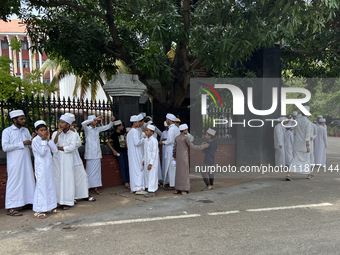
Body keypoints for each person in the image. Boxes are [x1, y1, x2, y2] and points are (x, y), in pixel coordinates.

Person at [2, 110, 35, 216]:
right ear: (14, 120)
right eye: (21, 119)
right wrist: (22, 143)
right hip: (14, 162)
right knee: (14, 182)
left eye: (24, 118)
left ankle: (28, 202)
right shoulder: (7, 131)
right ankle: (11, 207)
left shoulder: (26, 130)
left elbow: (30, 145)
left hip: (26, 161)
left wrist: (32, 141)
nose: (24, 121)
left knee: (28, 180)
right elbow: (5, 147)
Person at [31, 120, 59, 219]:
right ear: (36, 131)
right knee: (41, 187)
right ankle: (37, 210)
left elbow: (55, 150)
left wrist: (48, 139)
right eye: (41, 130)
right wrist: (43, 141)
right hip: (41, 167)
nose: (43, 132)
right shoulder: (35, 141)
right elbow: (41, 153)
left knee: (50, 186)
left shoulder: (46, 139)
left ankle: (50, 207)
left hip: (48, 166)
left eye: (45, 130)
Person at [64, 113, 95, 202]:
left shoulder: (74, 131)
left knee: (82, 175)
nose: (73, 125)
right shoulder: (61, 133)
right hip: (66, 158)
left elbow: (78, 144)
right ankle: (71, 197)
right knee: (69, 178)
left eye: (74, 123)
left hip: (76, 157)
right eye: (72, 123)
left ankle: (84, 194)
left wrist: (74, 133)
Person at [82, 115, 115, 195]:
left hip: (97, 154)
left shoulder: (97, 129)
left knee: (97, 173)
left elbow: (108, 127)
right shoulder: (87, 129)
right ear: (91, 121)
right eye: (95, 121)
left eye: (97, 121)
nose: (96, 122)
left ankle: (95, 189)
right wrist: (93, 119)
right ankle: (86, 189)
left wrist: (112, 121)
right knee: (89, 172)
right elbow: (83, 124)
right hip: (90, 154)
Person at [52, 115, 79, 210]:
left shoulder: (73, 134)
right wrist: (56, 136)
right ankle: (57, 201)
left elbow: (71, 148)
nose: (60, 124)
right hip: (57, 159)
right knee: (57, 179)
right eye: (60, 122)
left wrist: (59, 148)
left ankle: (67, 202)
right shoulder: (55, 133)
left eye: (63, 122)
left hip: (67, 159)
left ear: (68, 124)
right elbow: (52, 145)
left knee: (67, 179)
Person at [173, 124, 208, 195]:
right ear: (184, 130)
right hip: (184, 158)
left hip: (178, 158)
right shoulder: (185, 138)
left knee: (178, 173)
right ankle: (184, 190)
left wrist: (174, 156)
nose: (187, 131)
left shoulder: (177, 138)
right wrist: (203, 146)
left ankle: (177, 189)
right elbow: (193, 146)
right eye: (187, 129)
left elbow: (174, 148)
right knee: (184, 173)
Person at [286, 106, 312, 181]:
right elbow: (307, 135)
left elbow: (295, 132)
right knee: (307, 159)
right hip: (303, 145)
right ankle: (309, 175)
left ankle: (289, 174)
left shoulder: (296, 120)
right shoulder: (308, 122)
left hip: (296, 144)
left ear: (301, 112)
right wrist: (307, 145)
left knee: (295, 159)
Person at [126, 115, 147, 195]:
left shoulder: (130, 132)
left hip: (132, 154)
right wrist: (144, 139)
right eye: (138, 122)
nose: (139, 123)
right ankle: (138, 188)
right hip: (137, 154)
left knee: (134, 170)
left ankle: (134, 187)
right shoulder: (134, 131)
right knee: (139, 169)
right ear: (135, 122)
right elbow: (137, 142)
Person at [160, 113, 180, 191]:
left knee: (171, 168)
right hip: (173, 151)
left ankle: (172, 185)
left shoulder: (172, 129)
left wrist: (163, 142)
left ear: (169, 120)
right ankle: (170, 183)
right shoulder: (176, 128)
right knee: (172, 168)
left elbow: (170, 141)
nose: (166, 121)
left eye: (166, 119)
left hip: (171, 151)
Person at [107, 120, 130, 189]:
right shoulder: (114, 134)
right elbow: (108, 142)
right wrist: (114, 151)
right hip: (119, 152)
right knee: (123, 167)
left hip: (125, 151)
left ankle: (129, 181)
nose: (123, 127)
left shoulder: (123, 134)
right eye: (122, 125)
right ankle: (126, 182)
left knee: (127, 166)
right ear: (118, 126)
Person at [142, 125, 159, 198]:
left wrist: (151, 163)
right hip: (146, 160)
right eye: (145, 130)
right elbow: (144, 151)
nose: (146, 132)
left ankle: (152, 191)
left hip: (152, 162)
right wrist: (143, 160)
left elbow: (154, 153)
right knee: (147, 175)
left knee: (152, 175)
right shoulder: (146, 140)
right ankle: (149, 189)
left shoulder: (154, 141)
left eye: (147, 130)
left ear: (152, 132)